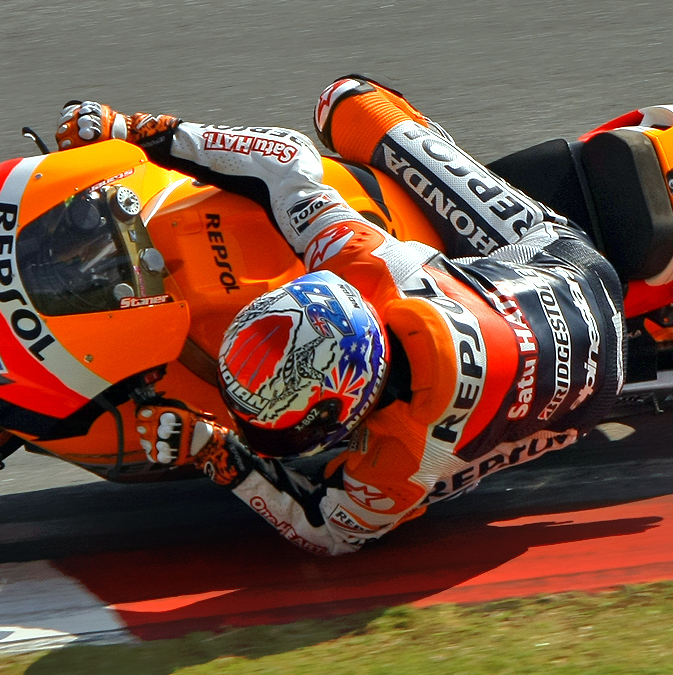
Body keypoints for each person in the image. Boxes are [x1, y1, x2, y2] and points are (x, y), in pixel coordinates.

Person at [55, 76, 625, 556]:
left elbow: (327, 532)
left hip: (582, 362)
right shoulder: (374, 270)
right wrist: (142, 132)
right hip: (552, 272)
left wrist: (217, 453)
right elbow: (287, 160)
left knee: (415, 488)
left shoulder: (404, 454)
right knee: (349, 101)